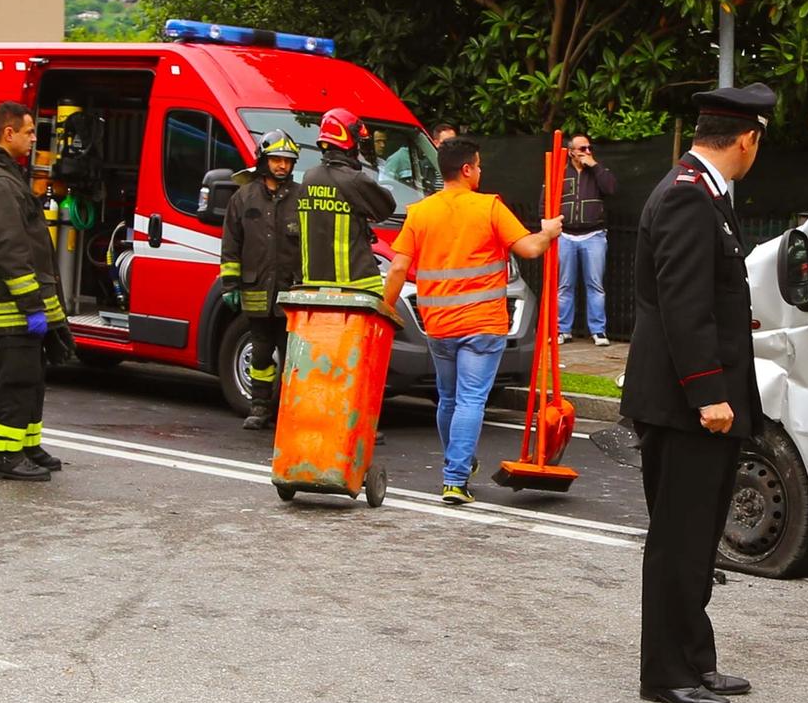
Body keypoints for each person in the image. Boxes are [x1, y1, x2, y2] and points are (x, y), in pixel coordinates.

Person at [624, 82, 776, 703]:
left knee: (697, 538)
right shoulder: (689, 199)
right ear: (747, 138)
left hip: (697, 401)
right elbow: (684, 306)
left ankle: (694, 658)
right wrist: (709, 394)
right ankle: (665, 672)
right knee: (679, 542)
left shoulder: (700, 191)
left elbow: (702, 299)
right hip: (687, 407)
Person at [380, 136, 560, 505]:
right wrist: (549, 232)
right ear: (466, 169)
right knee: (470, 401)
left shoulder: (420, 212)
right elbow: (528, 248)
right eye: (477, 165)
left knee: (448, 399)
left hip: (438, 325)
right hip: (482, 324)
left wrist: (386, 309)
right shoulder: (489, 207)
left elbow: (398, 266)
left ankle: (457, 464)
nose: (480, 171)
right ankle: (455, 478)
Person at [0, 101, 72, 481]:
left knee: (32, 378)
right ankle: (5, 458)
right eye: (27, 133)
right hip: (9, 305)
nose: (32, 140)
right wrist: (31, 305)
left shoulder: (2, 175)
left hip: (16, 303)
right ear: (8, 133)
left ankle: (26, 446)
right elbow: (10, 250)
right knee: (16, 381)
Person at [220, 129, 305, 430]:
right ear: (263, 159)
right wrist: (230, 285)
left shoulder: (301, 197)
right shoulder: (243, 198)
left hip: (291, 293)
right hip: (256, 292)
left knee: (294, 357)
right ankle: (259, 406)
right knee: (260, 353)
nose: (282, 166)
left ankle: (289, 410)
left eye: (288, 161)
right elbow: (231, 244)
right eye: (277, 159)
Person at [295, 108, 395, 296]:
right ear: (349, 141)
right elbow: (386, 207)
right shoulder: (354, 180)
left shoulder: (309, 178)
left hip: (313, 286)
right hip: (355, 286)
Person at [557, 135, 620, 347]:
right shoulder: (560, 173)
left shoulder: (599, 171)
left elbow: (611, 188)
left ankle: (598, 331)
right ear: (571, 152)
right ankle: (562, 330)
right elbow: (545, 201)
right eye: (582, 148)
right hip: (565, 235)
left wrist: (594, 165)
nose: (587, 151)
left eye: (589, 147)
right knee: (565, 285)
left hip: (594, 235)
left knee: (595, 284)